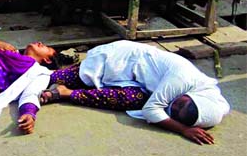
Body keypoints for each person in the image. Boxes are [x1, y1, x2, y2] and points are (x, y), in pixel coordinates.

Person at [42, 41, 230, 144]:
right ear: (194, 96)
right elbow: (151, 111)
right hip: (120, 60)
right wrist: (183, 129)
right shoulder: (183, 80)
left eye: (177, 112)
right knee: (48, 78)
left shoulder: (214, 101)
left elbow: (220, 109)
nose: (175, 105)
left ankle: (65, 93)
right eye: (183, 103)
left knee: (134, 99)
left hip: (136, 82)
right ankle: (27, 72)